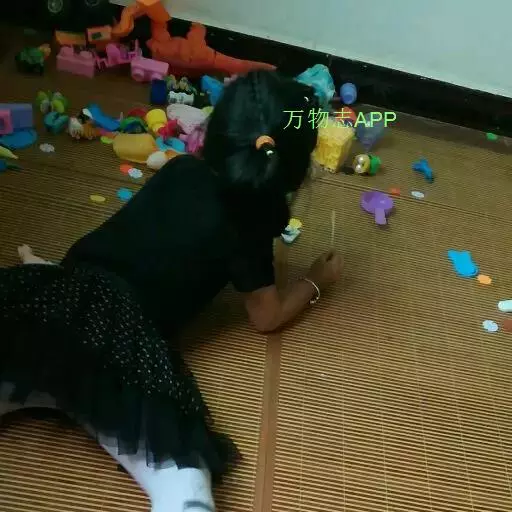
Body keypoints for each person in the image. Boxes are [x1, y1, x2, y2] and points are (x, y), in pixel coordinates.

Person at [0, 70, 343, 512]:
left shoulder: (180, 168)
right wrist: (316, 281)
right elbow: (266, 317)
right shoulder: (249, 228)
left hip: (63, 292)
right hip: (123, 336)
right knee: (182, 473)